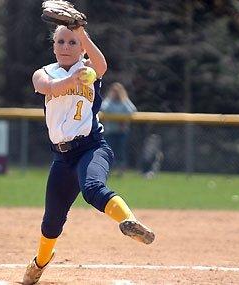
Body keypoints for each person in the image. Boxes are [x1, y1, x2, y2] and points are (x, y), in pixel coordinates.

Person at [22, 25, 155, 285]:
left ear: (82, 47)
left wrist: (80, 31)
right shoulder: (44, 72)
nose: (65, 47)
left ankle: (129, 222)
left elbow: (102, 65)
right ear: (53, 46)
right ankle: (40, 262)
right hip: (62, 158)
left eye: (72, 42)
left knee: (93, 188)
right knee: (51, 222)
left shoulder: (89, 70)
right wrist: (71, 81)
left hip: (92, 147)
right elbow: (46, 87)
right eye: (60, 42)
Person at [101, 83, 137, 175]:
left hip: (121, 131)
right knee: (108, 151)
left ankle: (121, 170)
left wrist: (123, 99)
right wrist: (110, 98)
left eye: (118, 92)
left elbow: (132, 110)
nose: (116, 93)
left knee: (121, 152)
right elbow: (103, 108)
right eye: (114, 91)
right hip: (110, 131)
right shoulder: (109, 101)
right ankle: (108, 169)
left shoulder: (124, 101)